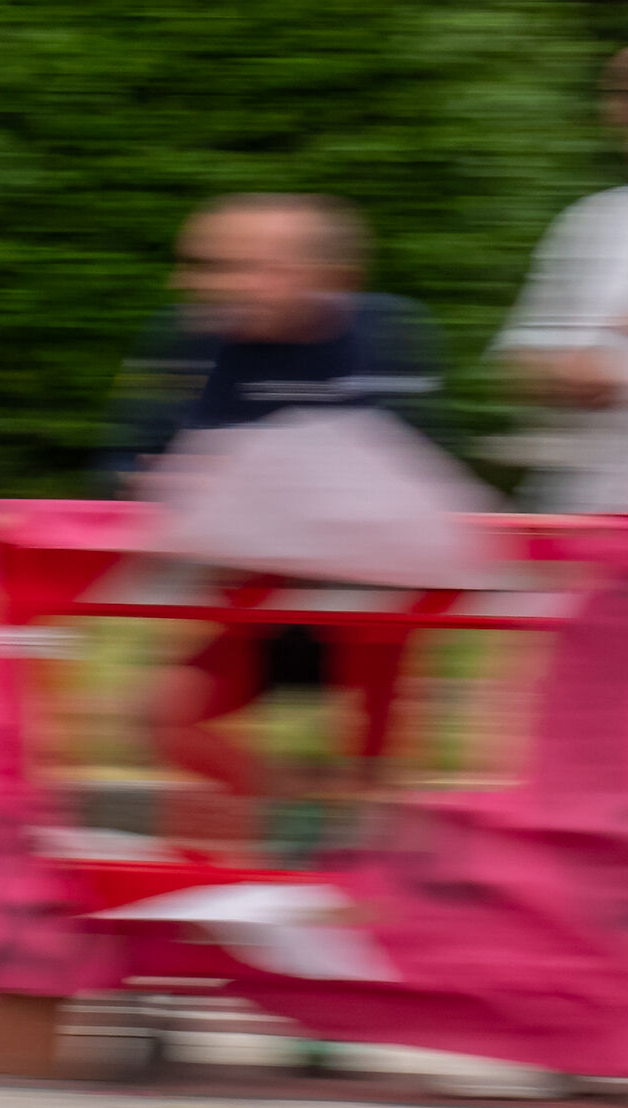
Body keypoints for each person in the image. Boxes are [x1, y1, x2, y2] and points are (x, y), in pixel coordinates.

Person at [100, 194, 444, 850]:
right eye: (202, 267)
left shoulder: (389, 329)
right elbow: (125, 462)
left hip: (374, 619)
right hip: (255, 609)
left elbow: (417, 480)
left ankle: (357, 851)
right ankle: (285, 825)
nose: (197, 285)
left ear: (321, 275)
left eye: (232, 268)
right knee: (159, 720)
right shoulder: (191, 336)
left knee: (373, 787)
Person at [495, 48, 628, 512]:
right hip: (583, 511)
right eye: (620, 93)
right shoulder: (590, 223)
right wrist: (557, 375)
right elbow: (519, 357)